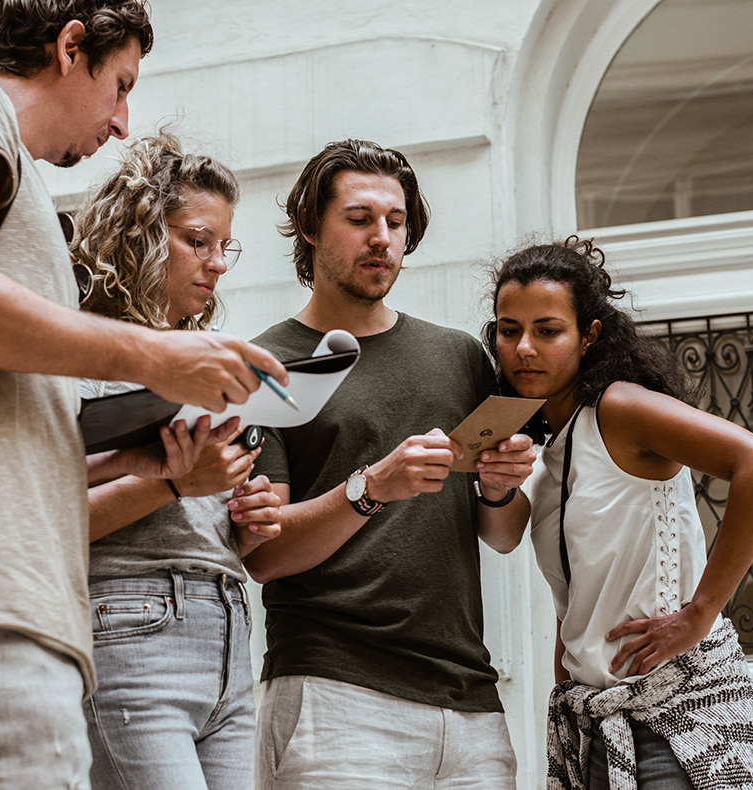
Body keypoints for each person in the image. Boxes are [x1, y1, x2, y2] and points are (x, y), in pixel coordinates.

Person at [0, 3, 286, 787]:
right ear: (71, 46)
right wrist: (155, 356)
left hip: (6, 601)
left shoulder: (9, 173)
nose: (121, 121)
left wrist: (140, 455)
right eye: (118, 85)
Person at [245, 139, 532, 789]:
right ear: (312, 227)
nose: (381, 238)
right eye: (359, 219)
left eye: (395, 222)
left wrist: (496, 490)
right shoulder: (269, 365)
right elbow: (263, 554)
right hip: (334, 696)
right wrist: (372, 486)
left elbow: (505, 533)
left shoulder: (460, 356)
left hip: (470, 706)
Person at [480, 237, 753, 789]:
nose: (525, 347)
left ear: (589, 335)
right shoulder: (553, 452)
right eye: (510, 330)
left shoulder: (619, 408)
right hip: (597, 724)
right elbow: (571, 592)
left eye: (548, 330)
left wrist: (700, 613)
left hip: (682, 715)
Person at [68, 131, 282, 790]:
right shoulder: (82, 349)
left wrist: (247, 514)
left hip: (229, 634)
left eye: (225, 246)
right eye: (198, 240)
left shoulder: (209, 358)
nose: (217, 263)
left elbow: (202, 506)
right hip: (131, 629)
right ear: (140, 234)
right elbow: (50, 516)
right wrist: (173, 485)